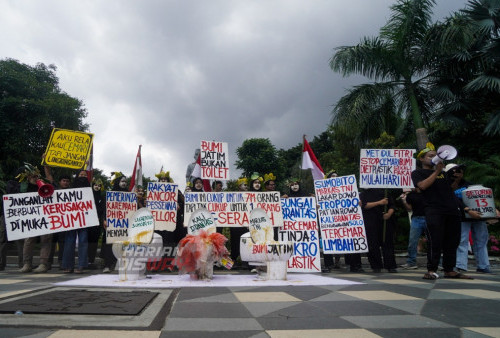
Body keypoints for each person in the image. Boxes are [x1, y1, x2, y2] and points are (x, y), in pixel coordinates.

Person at [411, 143, 472, 280]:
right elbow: (422, 186)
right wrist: (437, 172)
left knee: (452, 241)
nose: (434, 158)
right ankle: (431, 269)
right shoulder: (418, 173)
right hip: (434, 210)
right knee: (435, 240)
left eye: (436, 155)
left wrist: (457, 179)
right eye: (430, 156)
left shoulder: (444, 174)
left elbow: (450, 190)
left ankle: (449, 269)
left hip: (451, 210)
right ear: (421, 159)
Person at [445, 163, 499, 274]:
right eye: (455, 171)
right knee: (461, 241)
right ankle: (461, 266)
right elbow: (451, 199)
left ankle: (483, 265)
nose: (457, 173)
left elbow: (482, 198)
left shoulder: (469, 185)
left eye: (459, 171)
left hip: (478, 217)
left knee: (481, 241)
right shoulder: (445, 185)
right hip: (461, 217)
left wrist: (493, 209)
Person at [17, 163, 55, 273]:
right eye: (33, 176)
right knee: (29, 240)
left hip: (45, 217)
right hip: (30, 218)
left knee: (46, 239)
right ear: (27, 177)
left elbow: (50, 181)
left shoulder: (43, 183)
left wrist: (46, 166)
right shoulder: (23, 186)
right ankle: (27, 264)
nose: (35, 178)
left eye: (36, 176)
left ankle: (43, 264)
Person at [360, 188, 398, 273]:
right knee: (372, 245)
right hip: (370, 223)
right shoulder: (363, 194)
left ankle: (390, 265)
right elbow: (364, 205)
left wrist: (388, 214)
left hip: (384, 222)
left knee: (388, 243)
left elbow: (392, 205)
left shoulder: (384, 192)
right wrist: (379, 203)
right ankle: (376, 266)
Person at [61, 170, 90, 273]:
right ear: (77, 176)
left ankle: (81, 265)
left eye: (84, 175)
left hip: (85, 219)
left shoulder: (90, 190)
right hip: (72, 218)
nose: (82, 176)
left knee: (83, 241)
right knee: (69, 241)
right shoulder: (70, 190)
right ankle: (68, 265)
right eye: (80, 175)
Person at [102, 172, 127, 273]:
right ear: (117, 182)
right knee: (109, 244)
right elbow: (105, 209)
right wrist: (104, 219)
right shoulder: (110, 195)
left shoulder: (129, 195)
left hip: (124, 225)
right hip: (111, 224)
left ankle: (120, 263)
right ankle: (107, 264)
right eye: (122, 181)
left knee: (122, 245)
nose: (124, 183)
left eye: (125, 181)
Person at [48, 174, 71, 270]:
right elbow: (49, 177)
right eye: (63, 180)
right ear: (59, 182)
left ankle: (61, 262)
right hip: (53, 221)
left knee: (62, 243)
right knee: (51, 242)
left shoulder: (72, 192)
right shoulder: (54, 190)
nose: (65, 182)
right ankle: (48, 262)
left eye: (67, 181)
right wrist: (45, 163)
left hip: (64, 222)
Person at [399, 188, 426, 269]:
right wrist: (404, 201)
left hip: (428, 217)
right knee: (412, 241)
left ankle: (437, 262)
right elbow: (409, 208)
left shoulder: (428, 192)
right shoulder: (411, 195)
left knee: (433, 241)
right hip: (416, 218)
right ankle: (411, 262)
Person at [88, 178, 105, 269]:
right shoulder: (88, 195)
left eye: (99, 185)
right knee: (86, 242)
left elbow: (102, 210)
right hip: (87, 223)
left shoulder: (102, 197)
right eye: (95, 185)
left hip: (97, 224)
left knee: (94, 243)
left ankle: (91, 261)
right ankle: (84, 260)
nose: (97, 187)